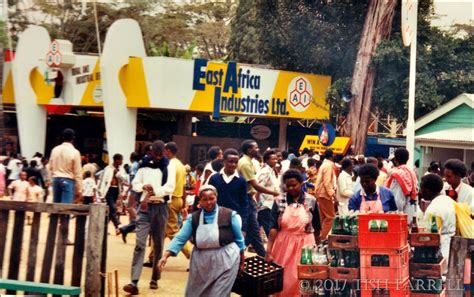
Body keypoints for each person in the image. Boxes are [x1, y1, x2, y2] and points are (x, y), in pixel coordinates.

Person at [158, 185, 245, 297]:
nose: (209, 202)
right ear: (200, 201)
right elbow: (181, 238)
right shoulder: (193, 218)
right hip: (201, 263)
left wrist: (241, 256)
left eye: (211, 198)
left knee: (219, 293)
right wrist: (166, 255)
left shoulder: (229, 215)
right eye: (205, 200)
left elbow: (239, 239)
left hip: (226, 259)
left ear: (216, 198)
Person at [123, 140, 175, 295]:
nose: (158, 157)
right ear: (151, 152)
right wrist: (142, 187)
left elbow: (170, 187)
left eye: (161, 154)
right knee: (140, 244)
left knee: (158, 244)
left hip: (160, 207)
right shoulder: (143, 164)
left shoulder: (169, 166)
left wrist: (155, 191)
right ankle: (134, 282)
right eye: (155, 154)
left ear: (164, 152)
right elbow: (135, 183)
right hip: (144, 208)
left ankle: (155, 278)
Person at [266, 169, 321, 297]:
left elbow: (317, 228)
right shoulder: (279, 201)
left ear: (301, 183)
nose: (290, 188)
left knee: (303, 276)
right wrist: (269, 251)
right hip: (283, 244)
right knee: (284, 278)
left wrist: (318, 250)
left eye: (294, 185)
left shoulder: (311, 200)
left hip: (306, 244)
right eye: (288, 185)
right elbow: (273, 227)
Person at [238, 140, 279, 257]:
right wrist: (275, 193)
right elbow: (256, 185)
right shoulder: (246, 164)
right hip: (253, 201)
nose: (258, 149)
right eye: (255, 148)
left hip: (253, 201)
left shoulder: (250, 162)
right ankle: (264, 256)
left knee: (253, 231)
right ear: (249, 150)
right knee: (252, 229)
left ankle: (263, 256)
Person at [208, 148, 249, 238]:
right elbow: (208, 200)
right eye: (230, 162)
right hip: (216, 218)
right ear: (224, 161)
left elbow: (244, 204)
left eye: (236, 162)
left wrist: (243, 228)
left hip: (234, 219)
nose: (233, 165)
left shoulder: (241, 181)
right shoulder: (214, 178)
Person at [163, 142, 192, 260]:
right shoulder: (180, 165)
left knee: (172, 231)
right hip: (178, 199)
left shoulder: (170, 165)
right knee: (160, 230)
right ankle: (152, 256)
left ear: (168, 151)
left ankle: (190, 254)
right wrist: (184, 203)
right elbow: (184, 186)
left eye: (164, 151)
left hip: (171, 200)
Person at [419, 174, 456, 260]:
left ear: (429, 190)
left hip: (440, 251)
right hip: (451, 246)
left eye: (422, 188)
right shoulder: (448, 200)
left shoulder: (433, 209)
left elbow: (429, 237)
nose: (421, 191)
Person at [49, 128, 82, 203]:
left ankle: (54, 215)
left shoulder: (55, 150)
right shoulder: (75, 152)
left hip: (56, 179)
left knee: (55, 207)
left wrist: (50, 180)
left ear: (63, 137)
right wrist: (79, 189)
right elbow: (78, 172)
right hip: (68, 180)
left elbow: (49, 167)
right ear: (73, 138)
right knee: (66, 208)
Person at [385, 148, 418, 224]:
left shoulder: (397, 174)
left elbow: (397, 199)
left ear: (395, 160)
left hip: (399, 218)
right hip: (410, 213)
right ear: (408, 159)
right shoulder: (411, 172)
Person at [98, 154, 128, 232]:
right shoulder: (107, 169)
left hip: (117, 190)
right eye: (121, 160)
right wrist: (101, 192)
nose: (122, 162)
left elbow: (125, 180)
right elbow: (103, 180)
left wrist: (117, 174)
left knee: (110, 210)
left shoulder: (121, 170)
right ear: (116, 160)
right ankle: (117, 224)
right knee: (113, 208)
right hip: (108, 190)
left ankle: (104, 228)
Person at [314, 149, 337, 240]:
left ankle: (319, 237)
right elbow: (327, 182)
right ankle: (322, 238)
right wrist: (332, 194)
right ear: (332, 156)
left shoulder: (325, 165)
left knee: (323, 218)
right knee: (330, 217)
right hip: (324, 194)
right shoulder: (328, 166)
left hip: (321, 193)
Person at [256, 149, 280, 237]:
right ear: (267, 160)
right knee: (268, 229)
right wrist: (257, 203)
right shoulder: (265, 172)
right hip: (265, 204)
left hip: (270, 203)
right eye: (273, 159)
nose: (276, 161)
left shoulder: (272, 171)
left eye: (276, 159)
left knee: (255, 229)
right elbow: (258, 188)